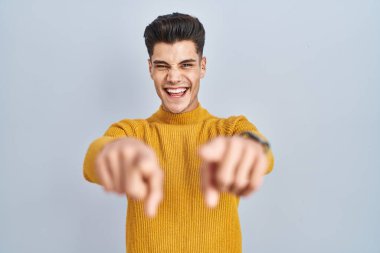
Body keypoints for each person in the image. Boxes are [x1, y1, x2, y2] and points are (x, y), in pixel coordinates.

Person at [83, 12, 274, 253]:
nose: (174, 78)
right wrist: (110, 154)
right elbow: (93, 159)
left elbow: (263, 150)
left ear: (202, 66)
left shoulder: (230, 129)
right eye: (163, 66)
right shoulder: (133, 133)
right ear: (150, 68)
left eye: (186, 65)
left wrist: (250, 150)